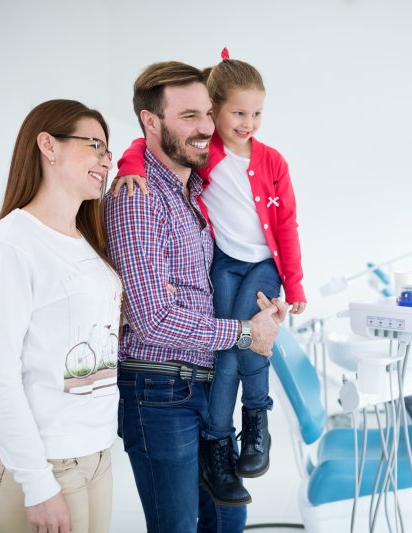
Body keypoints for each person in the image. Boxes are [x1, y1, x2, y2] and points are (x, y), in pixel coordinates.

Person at [114, 48, 306, 507]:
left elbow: (288, 222)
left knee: (251, 344)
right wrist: (129, 167)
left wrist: (294, 286)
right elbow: (140, 146)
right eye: (236, 112)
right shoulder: (184, 170)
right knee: (237, 347)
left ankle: (254, 419)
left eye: (257, 113)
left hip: (259, 272)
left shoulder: (222, 172)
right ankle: (225, 440)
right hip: (172, 366)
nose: (247, 122)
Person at [0, 99, 128, 533]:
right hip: (48, 461)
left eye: (108, 150)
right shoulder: (13, 243)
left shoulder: (86, 242)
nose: (107, 160)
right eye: (96, 145)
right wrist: (38, 484)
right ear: (49, 145)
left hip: (98, 451)